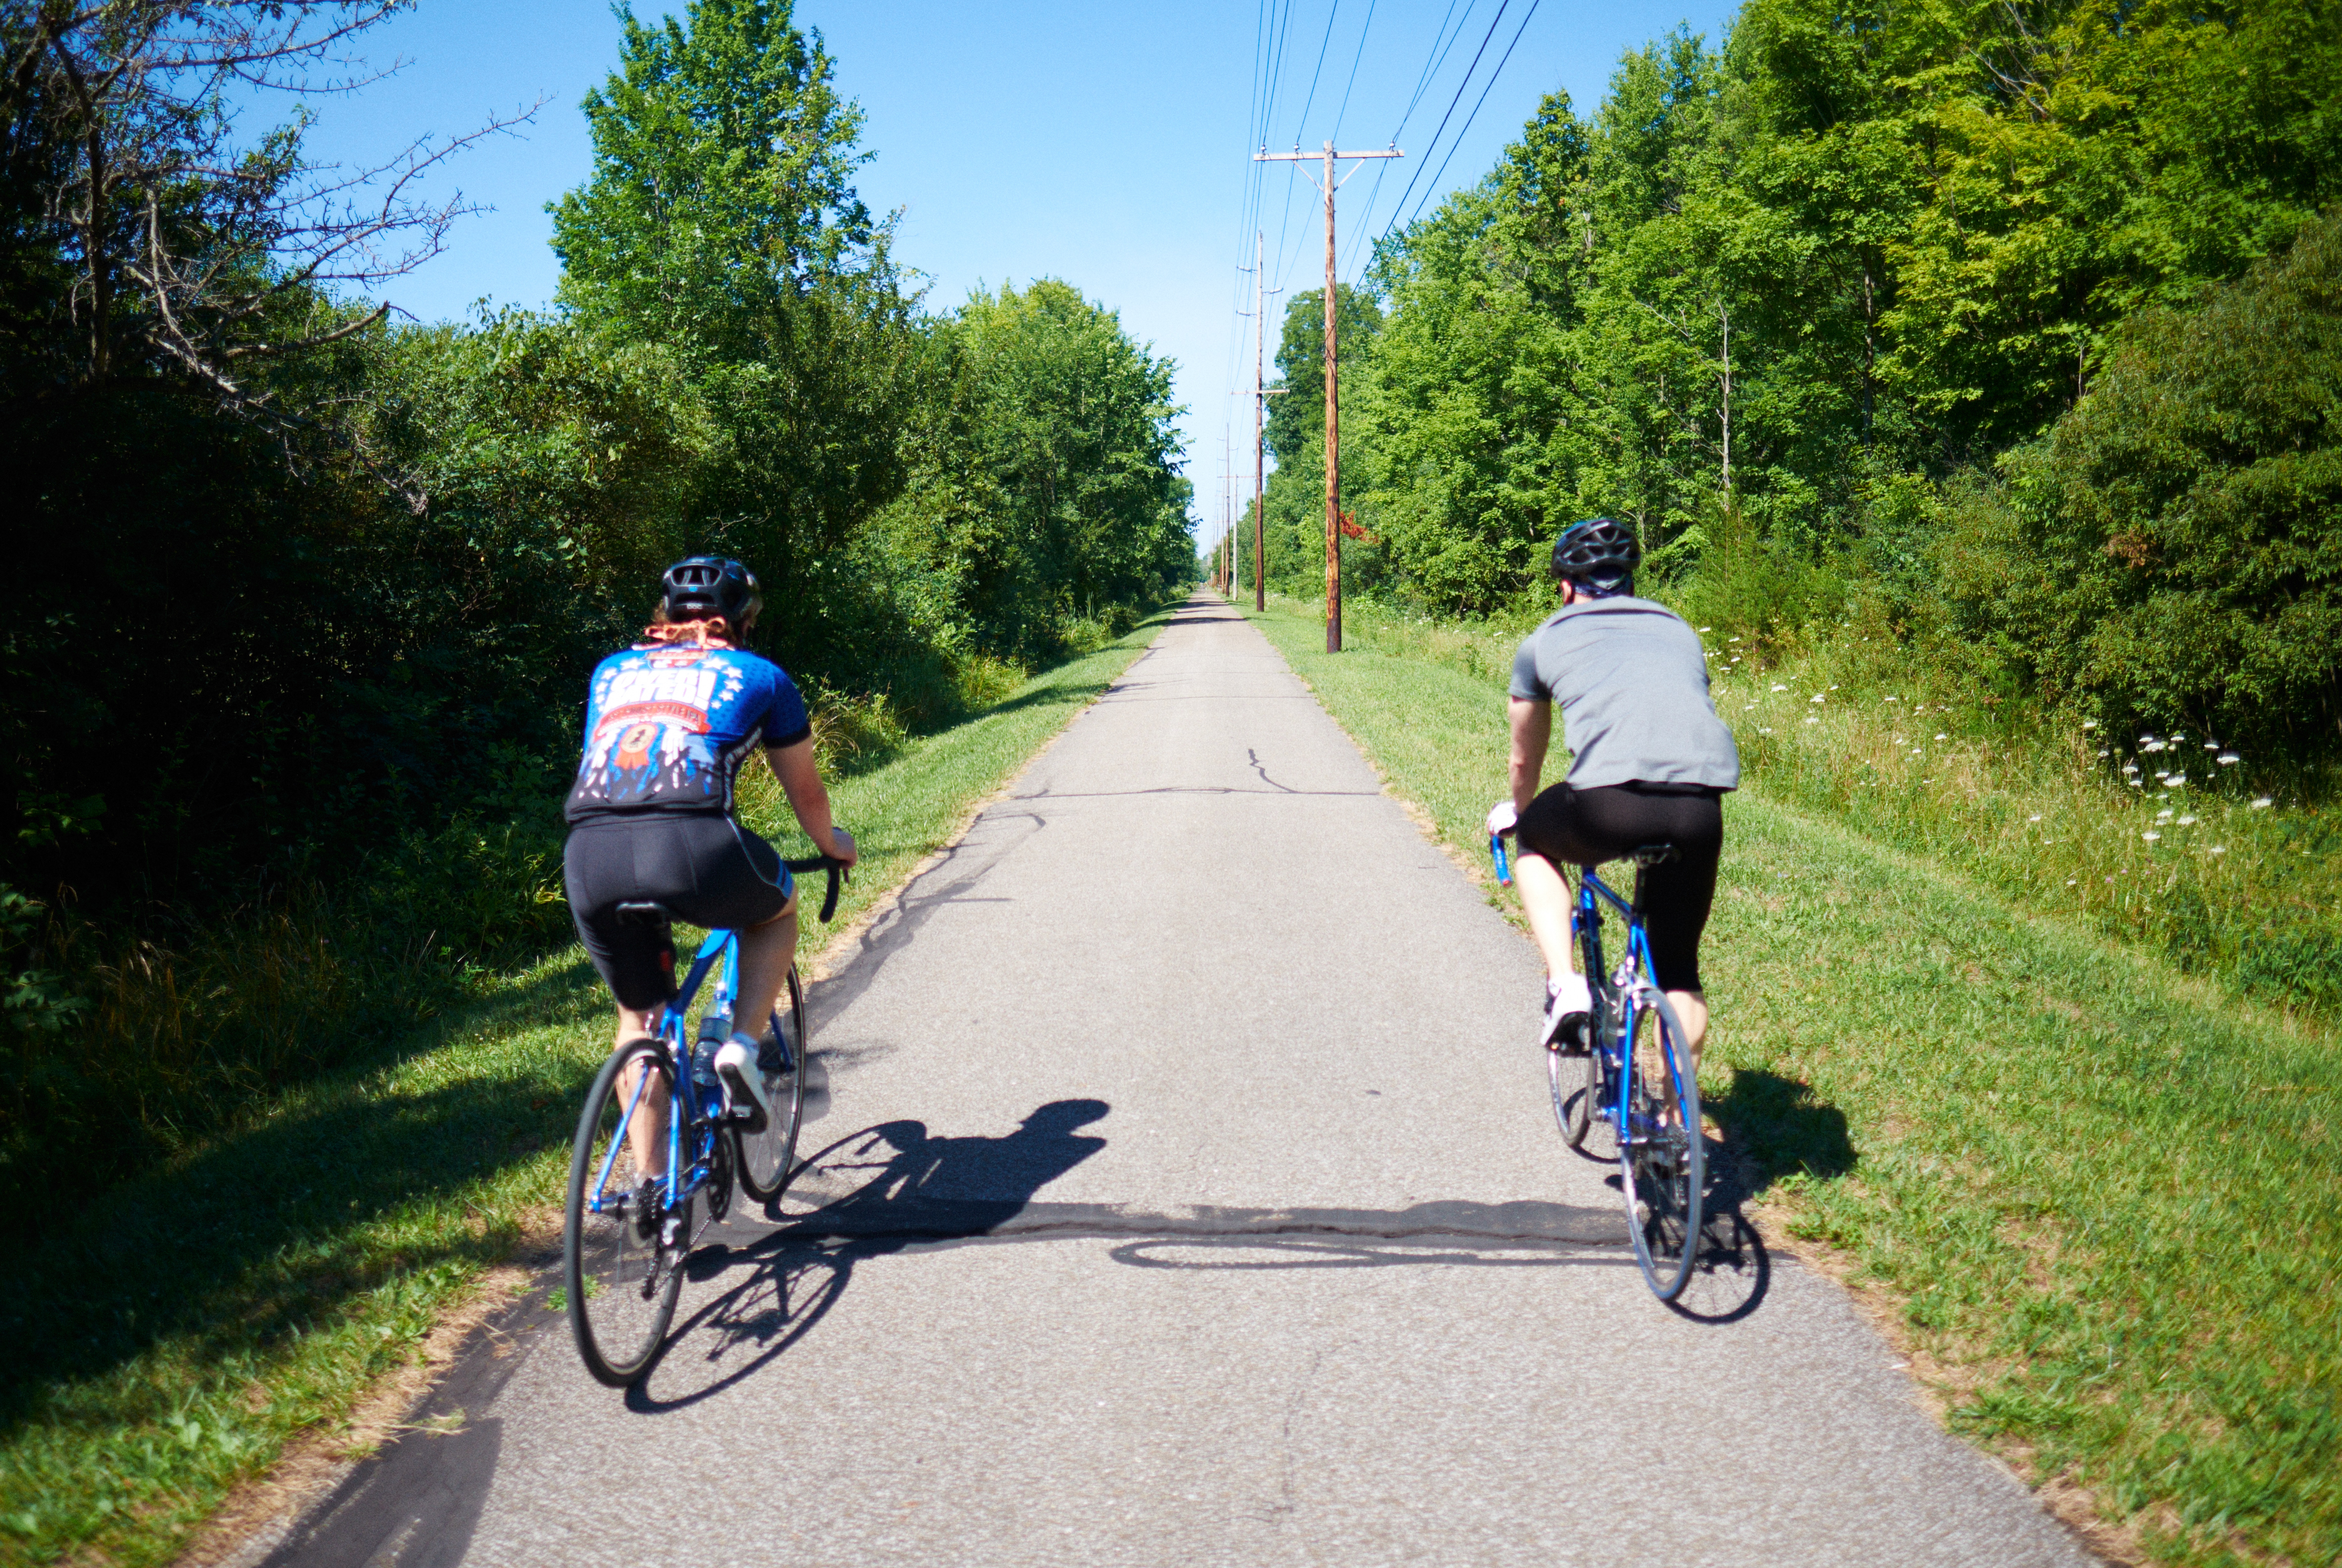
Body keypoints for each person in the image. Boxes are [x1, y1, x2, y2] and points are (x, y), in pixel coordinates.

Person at [562, 557, 857, 1186]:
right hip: (693, 847)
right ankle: (740, 1050)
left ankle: (651, 1192)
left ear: (664, 616)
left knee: (639, 1020)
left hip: (591, 853)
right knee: (777, 908)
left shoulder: (611, 671)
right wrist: (833, 846)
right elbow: (806, 796)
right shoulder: (762, 676)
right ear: (745, 621)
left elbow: (608, 769)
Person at [1487, 519, 1738, 1072]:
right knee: (1678, 970)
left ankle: (1565, 986)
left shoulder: (1545, 639)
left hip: (1607, 803)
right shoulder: (1677, 628)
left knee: (1533, 839)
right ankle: (1675, 1131)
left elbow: (1524, 757)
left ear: (1566, 586)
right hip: (1700, 807)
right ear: (1628, 581)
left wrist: (1523, 814)